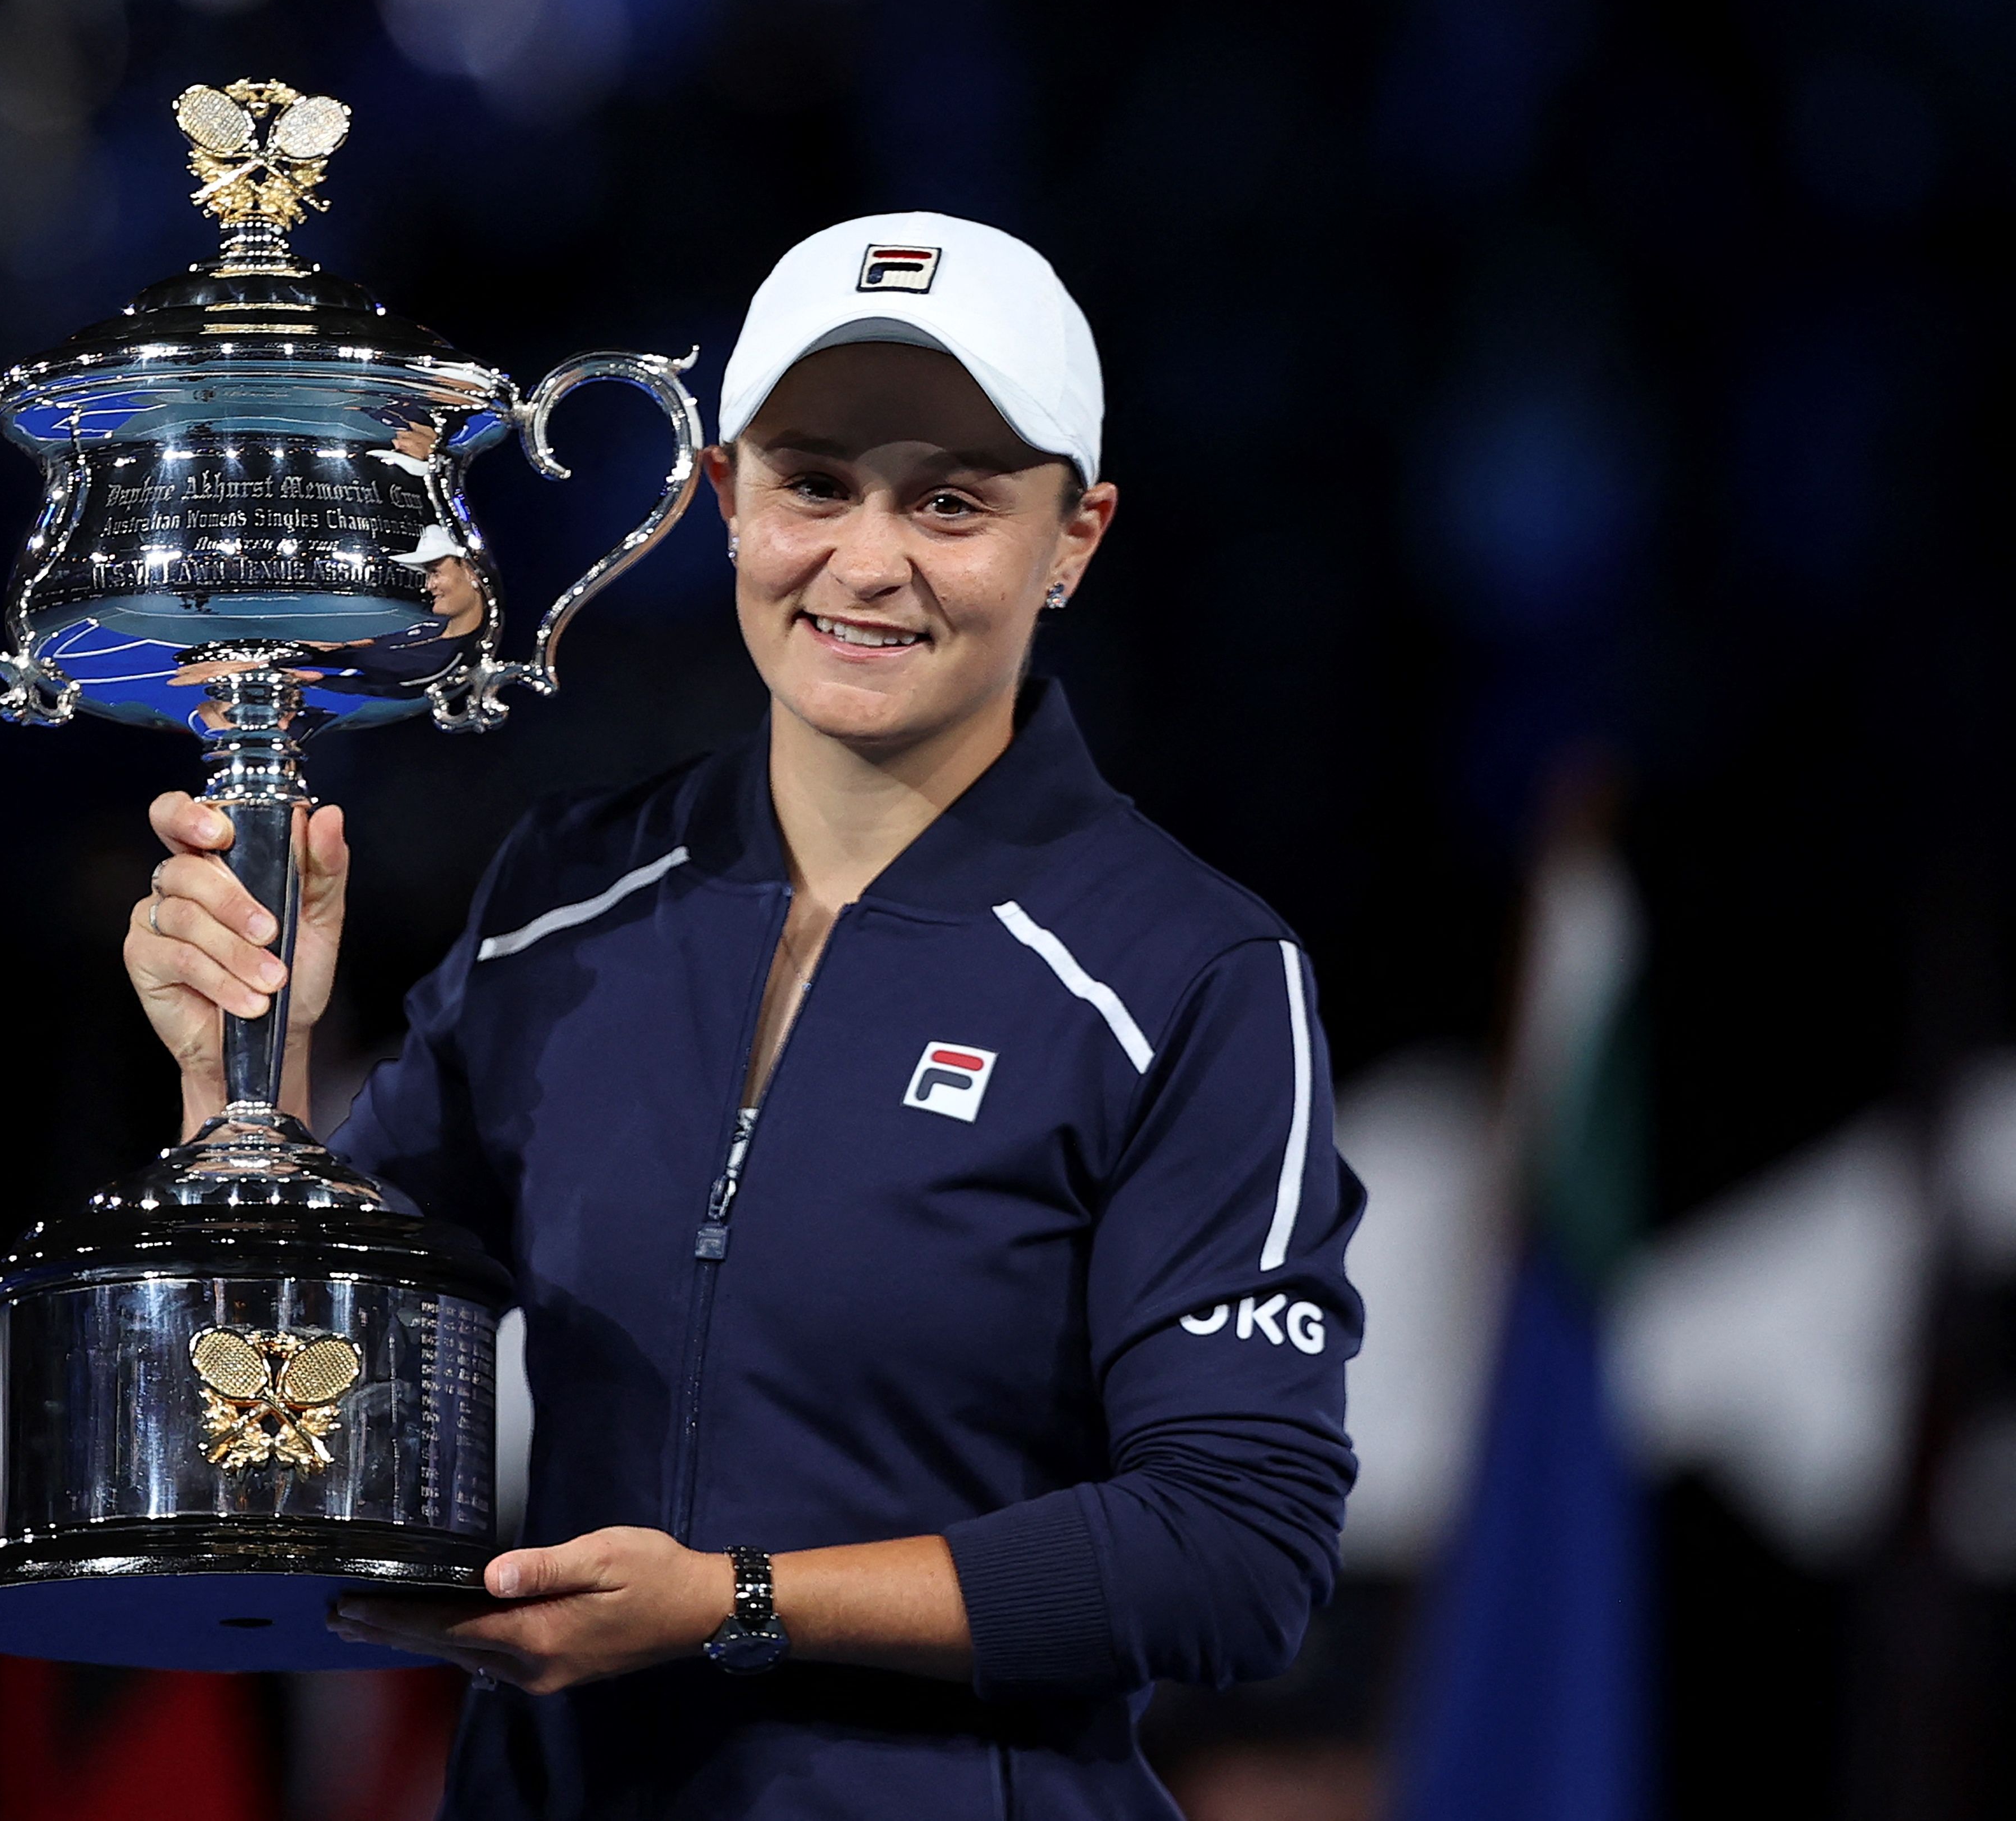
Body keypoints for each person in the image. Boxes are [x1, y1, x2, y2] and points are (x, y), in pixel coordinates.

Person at [125, 212, 1363, 1819]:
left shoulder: (1188, 975)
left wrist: (737, 1603)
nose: (866, 560)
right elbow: (303, 1414)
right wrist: (244, 1065)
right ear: (723, 499)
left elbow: (1237, 1552)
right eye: (814, 482)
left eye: (953, 501)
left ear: (1078, 537)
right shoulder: (568, 893)